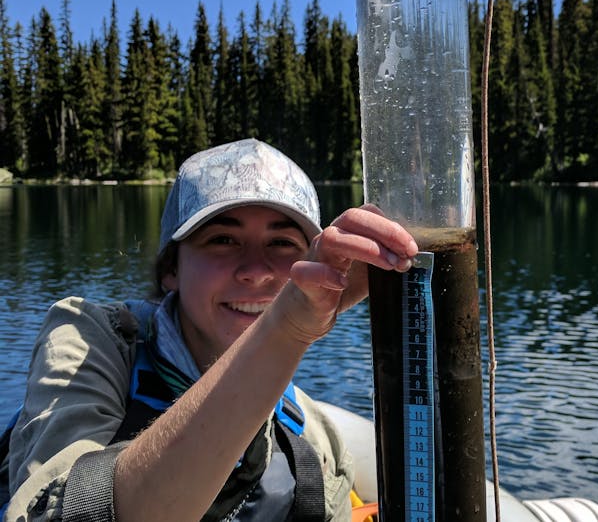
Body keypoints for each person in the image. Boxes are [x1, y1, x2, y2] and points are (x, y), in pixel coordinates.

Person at [1, 138, 418, 521]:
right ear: (171, 270)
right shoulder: (91, 342)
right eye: (222, 240)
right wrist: (286, 326)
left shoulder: (312, 437)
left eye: (282, 244)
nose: (255, 272)